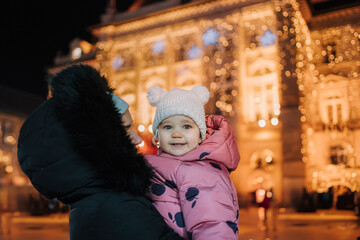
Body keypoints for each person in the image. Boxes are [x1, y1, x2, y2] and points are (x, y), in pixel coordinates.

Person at [17, 64, 183, 240]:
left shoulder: (98, 203)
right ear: (99, 141)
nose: (138, 139)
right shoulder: (119, 210)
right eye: (126, 128)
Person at [145, 85, 240, 239]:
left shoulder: (202, 173)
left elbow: (212, 225)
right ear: (157, 135)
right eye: (168, 127)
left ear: (201, 135)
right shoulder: (162, 166)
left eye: (186, 126)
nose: (176, 133)